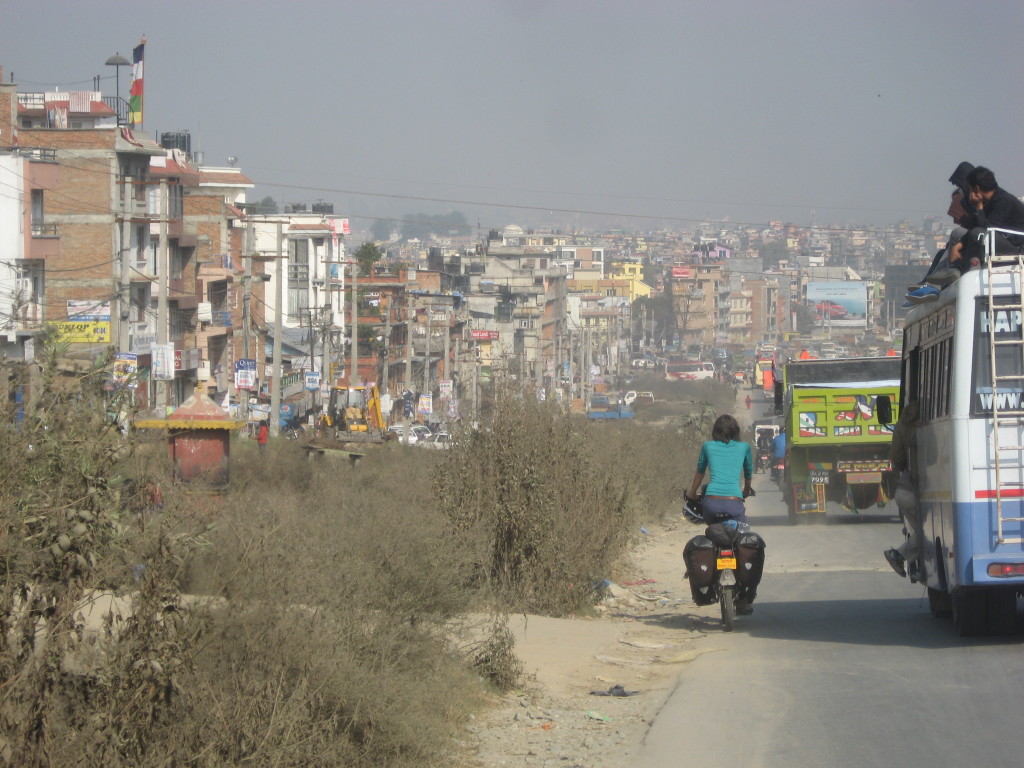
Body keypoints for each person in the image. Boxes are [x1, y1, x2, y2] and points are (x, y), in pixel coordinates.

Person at [949, 166, 1024, 273]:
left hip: (1018, 248)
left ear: (977, 189)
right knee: (961, 234)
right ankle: (953, 270)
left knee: (978, 233)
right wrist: (959, 245)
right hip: (1004, 241)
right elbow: (979, 225)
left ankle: (966, 270)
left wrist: (979, 207)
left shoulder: (1003, 201)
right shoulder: (991, 200)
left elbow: (985, 230)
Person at [687, 414, 754, 526]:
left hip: (711, 504)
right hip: (734, 502)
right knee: (741, 534)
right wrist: (746, 491)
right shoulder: (744, 447)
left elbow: (700, 472)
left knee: (713, 532)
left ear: (715, 431)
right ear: (736, 431)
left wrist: (692, 492)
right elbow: (748, 474)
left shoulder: (707, 446)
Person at [884, 401, 922, 580]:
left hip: (903, 488)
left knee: (921, 532)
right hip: (916, 491)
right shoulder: (928, 420)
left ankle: (910, 561)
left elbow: (897, 456)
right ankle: (898, 555)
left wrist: (906, 469)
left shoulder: (901, 424)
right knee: (926, 534)